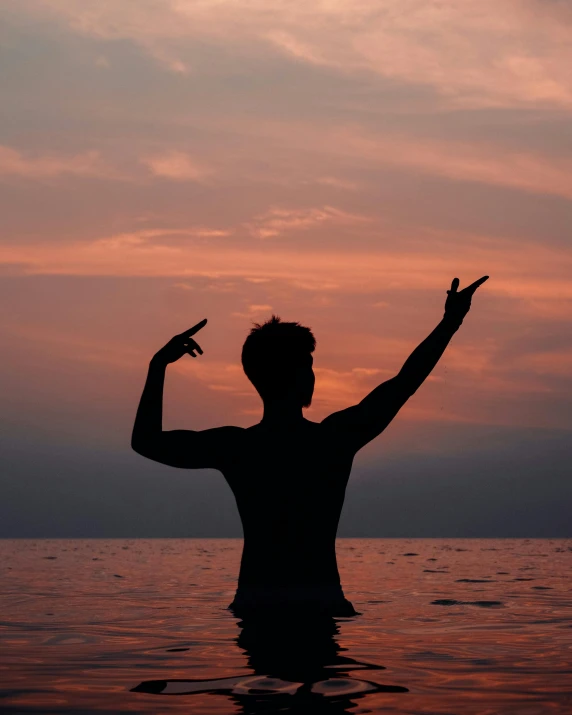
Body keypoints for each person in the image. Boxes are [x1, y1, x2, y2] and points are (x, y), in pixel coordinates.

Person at [132, 275, 488, 616]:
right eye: (310, 365)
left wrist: (157, 365)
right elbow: (405, 382)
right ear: (301, 373)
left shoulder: (237, 447)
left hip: (256, 604)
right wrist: (450, 322)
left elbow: (146, 441)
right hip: (320, 602)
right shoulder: (331, 440)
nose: (313, 374)